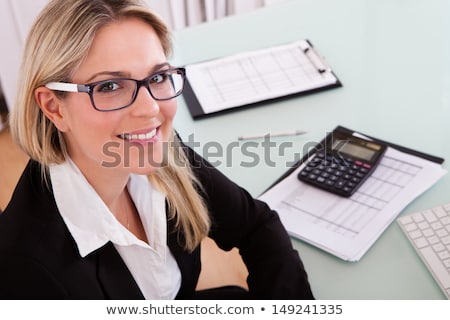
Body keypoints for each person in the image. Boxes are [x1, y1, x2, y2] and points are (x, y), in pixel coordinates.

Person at [0, 0, 314, 299]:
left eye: (158, 76)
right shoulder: (25, 269)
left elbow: (256, 225)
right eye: (109, 86)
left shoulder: (158, 151)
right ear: (54, 107)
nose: (150, 109)